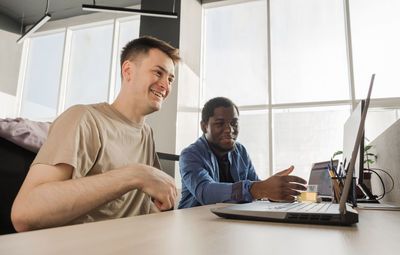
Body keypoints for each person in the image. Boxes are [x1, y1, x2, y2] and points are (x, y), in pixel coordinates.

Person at [11, 36, 181, 231]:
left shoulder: (146, 134)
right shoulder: (83, 118)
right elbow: (25, 214)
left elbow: (125, 207)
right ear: (128, 71)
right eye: (158, 73)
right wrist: (134, 175)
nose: (166, 86)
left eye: (170, 79)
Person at [178, 97, 307, 209]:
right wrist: (261, 189)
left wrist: (272, 191)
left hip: (230, 223)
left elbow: (256, 186)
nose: (229, 129)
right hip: (195, 223)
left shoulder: (240, 151)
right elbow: (206, 192)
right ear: (204, 127)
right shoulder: (190, 155)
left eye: (234, 123)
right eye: (220, 123)